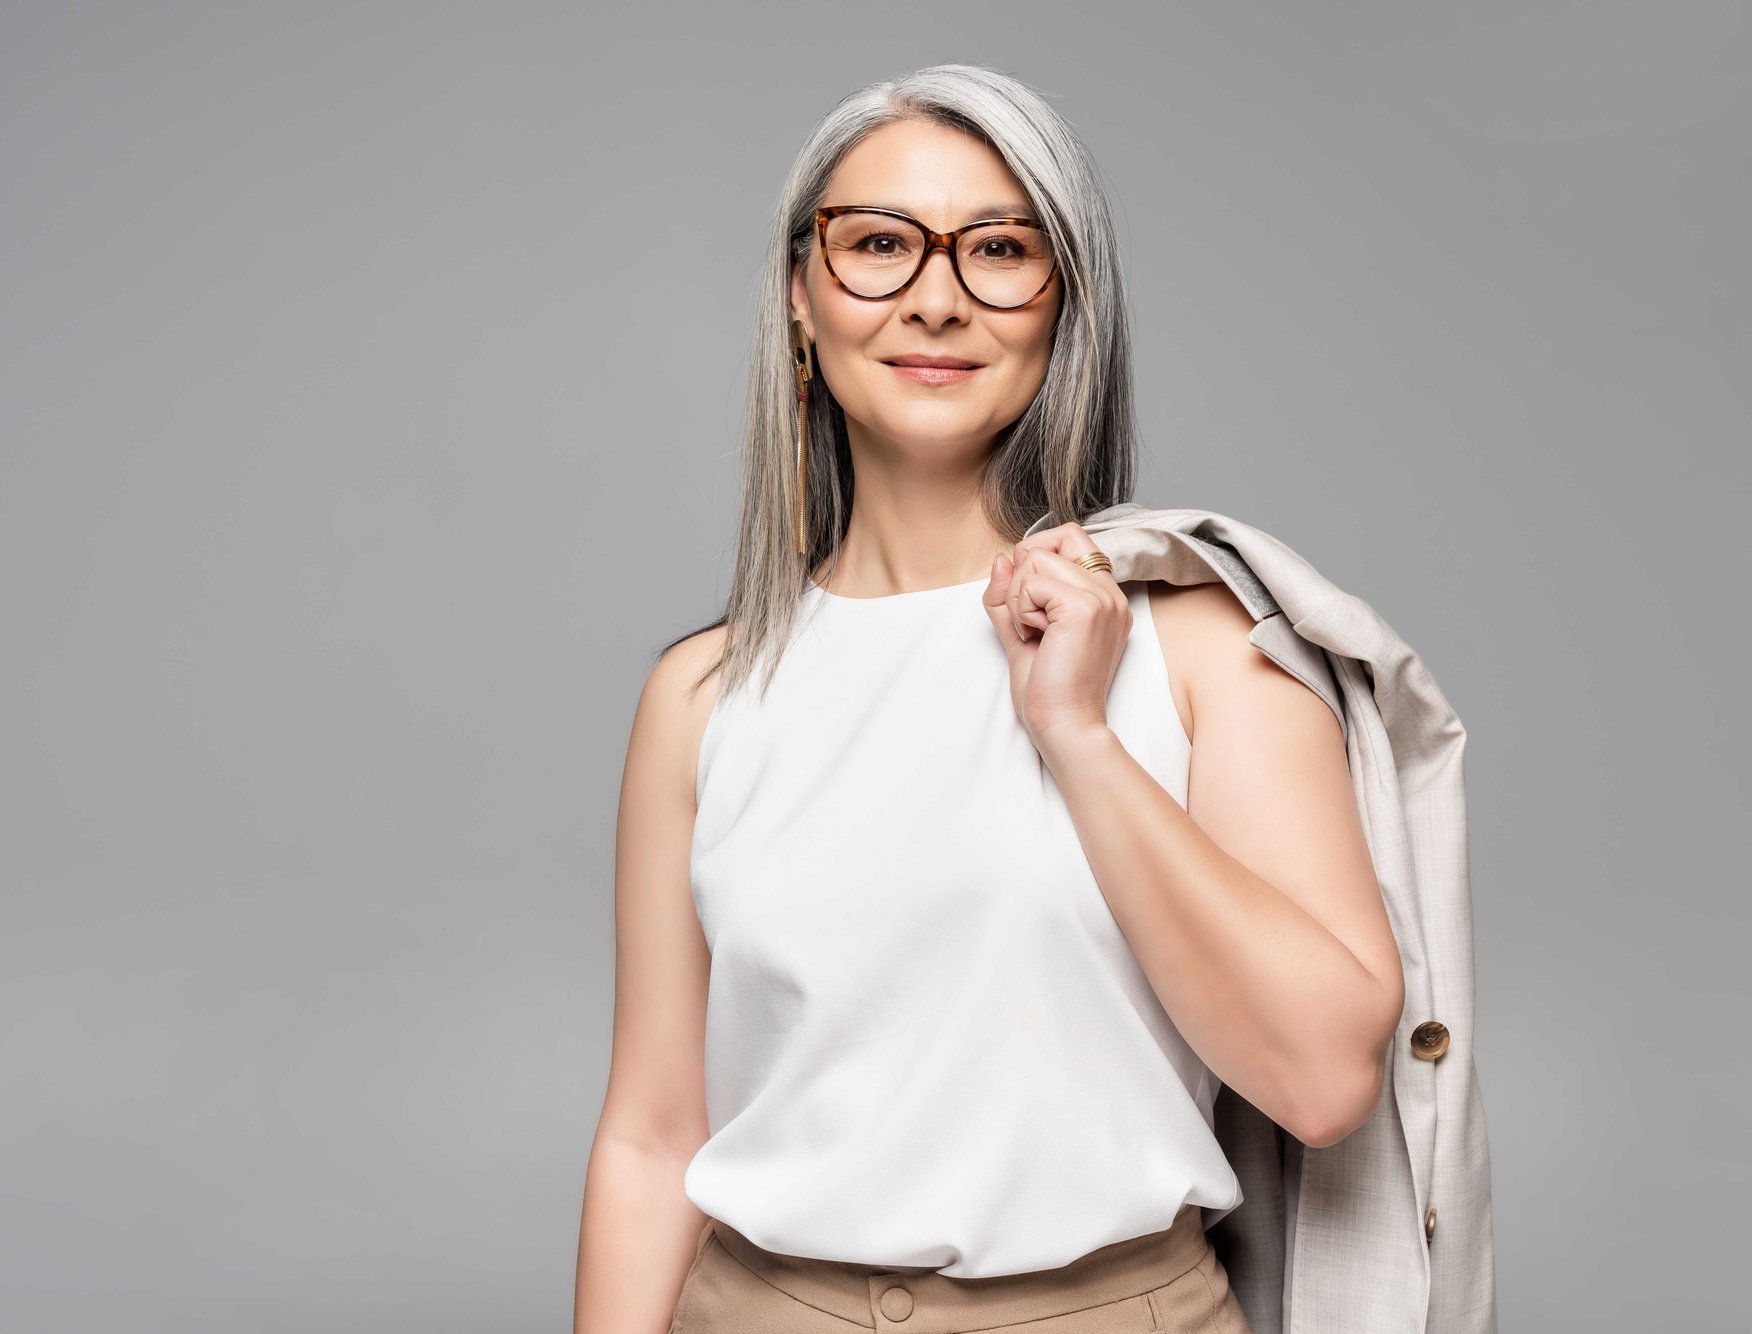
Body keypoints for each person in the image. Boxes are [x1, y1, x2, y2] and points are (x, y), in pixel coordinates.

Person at [575, 64, 1406, 1333]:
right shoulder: (702, 693)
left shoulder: (1204, 648)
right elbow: (651, 1134)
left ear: (1063, 304)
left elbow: (1323, 1075)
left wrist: (1074, 731)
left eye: (999, 249)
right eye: (877, 244)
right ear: (800, 297)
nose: (936, 298)